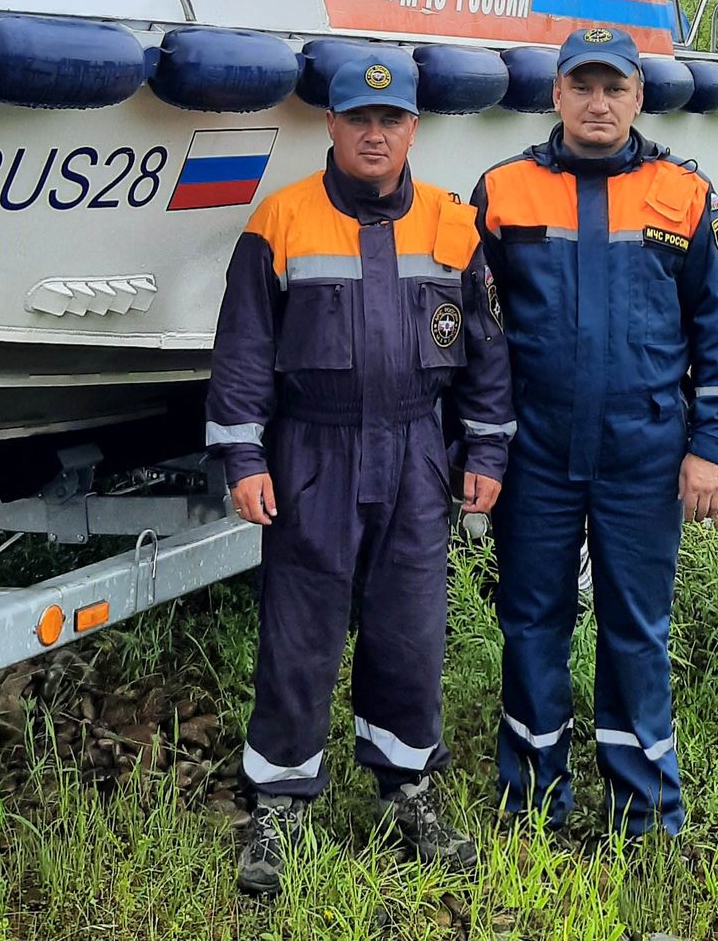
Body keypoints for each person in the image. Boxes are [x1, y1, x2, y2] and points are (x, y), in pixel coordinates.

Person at [204, 55, 516, 896]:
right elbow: (241, 356)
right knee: (299, 637)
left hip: (418, 457)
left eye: (391, 120)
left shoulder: (454, 225)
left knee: (409, 633)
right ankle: (277, 803)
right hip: (314, 454)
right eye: (357, 119)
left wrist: (484, 453)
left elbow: (488, 356)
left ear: (414, 127)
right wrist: (242, 455)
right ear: (331, 126)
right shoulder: (281, 222)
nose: (374, 134)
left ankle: (404, 792)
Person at [472, 26, 718, 836]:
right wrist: (477, 444)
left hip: (645, 454)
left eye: (615, 88)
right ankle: (530, 803)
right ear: (555, 93)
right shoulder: (502, 191)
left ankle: (644, 812)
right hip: (536, 458)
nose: (599, 103)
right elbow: (471, 334)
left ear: (640, 95)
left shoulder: (686, 196)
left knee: (636, 630)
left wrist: (712, 447)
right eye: (582, 87)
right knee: (531, 622)